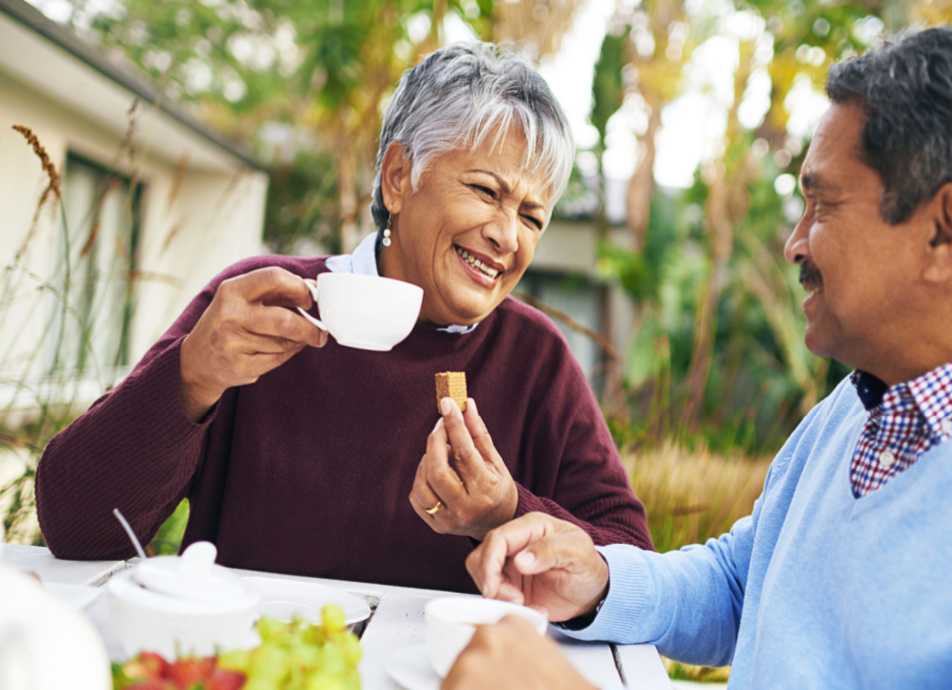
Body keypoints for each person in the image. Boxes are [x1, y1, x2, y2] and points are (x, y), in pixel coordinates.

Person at [452, 25, 952, 688]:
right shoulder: (865, 400)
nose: (795, 244)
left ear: (944, 231)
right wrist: (599, 580)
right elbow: (742, 585)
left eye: (823, 204)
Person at [34, 42, 652, 593]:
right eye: (487, 192)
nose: (505, 236)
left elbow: (633, 568)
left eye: (532, 217)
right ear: (398, 177)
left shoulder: (535, 358)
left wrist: (509, 513)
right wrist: (191, 376)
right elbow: (78, 531)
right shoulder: (260, 305)